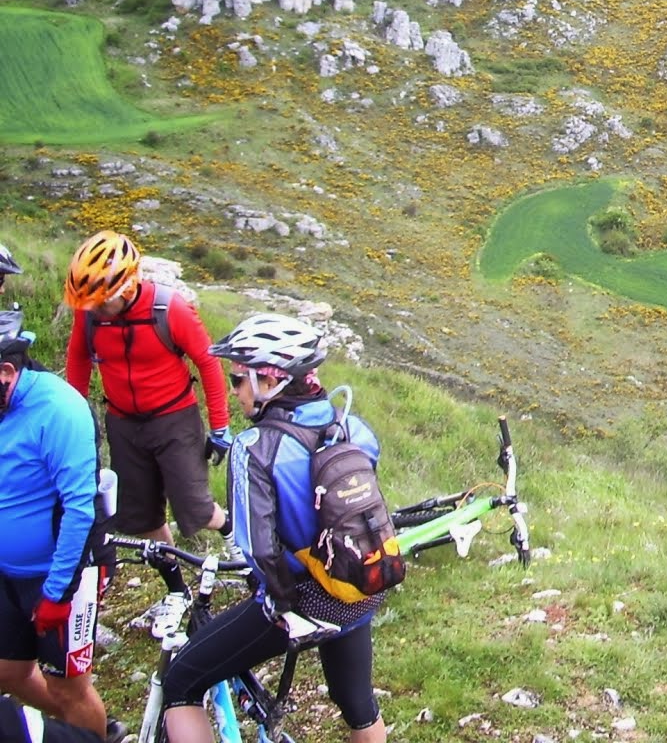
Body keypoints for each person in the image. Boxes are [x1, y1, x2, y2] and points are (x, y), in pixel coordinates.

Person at [161, 312, 387, 743]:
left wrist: (279, 602)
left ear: (270, 381)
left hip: (299, 601)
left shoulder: (254, 448)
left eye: (237, 381)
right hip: (357, 585)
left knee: (182, 682)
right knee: (357, 704)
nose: (234, 393)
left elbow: (258, 550)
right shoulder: (355, 429)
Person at [61, 231, 233, 547]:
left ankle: (241, 548)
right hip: (124, 422)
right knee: (142, 519)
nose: (94, 309)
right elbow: (79, 358)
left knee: (197, 510)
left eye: (101, 302)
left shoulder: (169, 309)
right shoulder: (89, 316)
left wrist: (220, 426)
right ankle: (177, 589)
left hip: (174, 419)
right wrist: (74, 413)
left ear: (126, 288)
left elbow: (208, 362)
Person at [0, 310, 110, 737]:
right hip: (7, 575)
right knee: (8, 672)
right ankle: (77, 733)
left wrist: (56, 593)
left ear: (7, 372)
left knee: (69, 690)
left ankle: (87, 730)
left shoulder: (59, 409)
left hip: (62, 576)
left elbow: (79, 509)